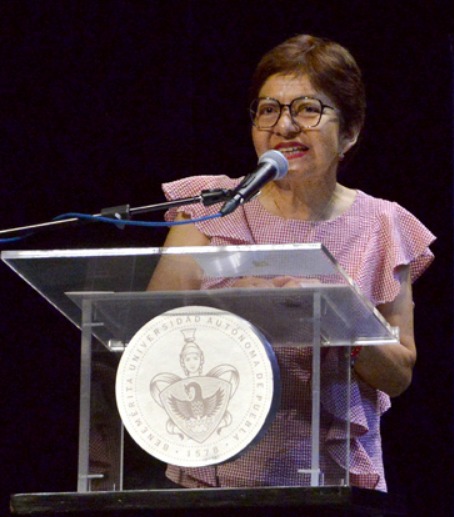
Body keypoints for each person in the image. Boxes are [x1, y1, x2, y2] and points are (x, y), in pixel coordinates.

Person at [147, 34, 435, 492]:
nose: (284, 126)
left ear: (351, 131)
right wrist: (227, 310)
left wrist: (338, 317)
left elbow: (398, 374)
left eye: (307, 109)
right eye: (268, 109)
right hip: (214, 471)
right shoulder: (209, 209)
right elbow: (150, 334)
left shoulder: (383, 223)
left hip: (332, 482)